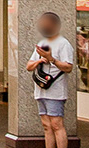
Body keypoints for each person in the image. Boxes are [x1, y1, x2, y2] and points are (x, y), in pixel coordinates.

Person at [26, 12, 74, 148]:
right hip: (40, 90)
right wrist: (40, 60)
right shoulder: (42, 43)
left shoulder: (63, 44)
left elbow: (68, 67)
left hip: (56, 91)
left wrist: (52, 59)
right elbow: (29, 66)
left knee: (56, 124)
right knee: (46, 125)